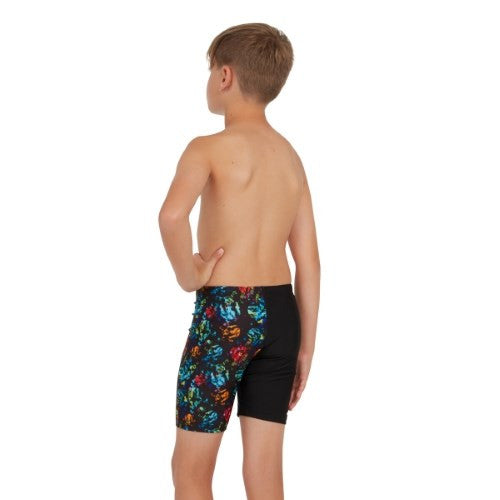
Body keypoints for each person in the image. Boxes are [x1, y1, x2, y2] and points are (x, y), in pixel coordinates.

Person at [158, 22, 320, 500]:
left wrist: (190, 275)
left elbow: (171, 216)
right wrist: (305, 346)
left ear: (224, 76)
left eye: (211, 70)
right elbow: (309, 261)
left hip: (227, 315)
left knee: (190, 470)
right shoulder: (290, 158)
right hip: (282, 316)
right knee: (264, 474)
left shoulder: (207, 148)